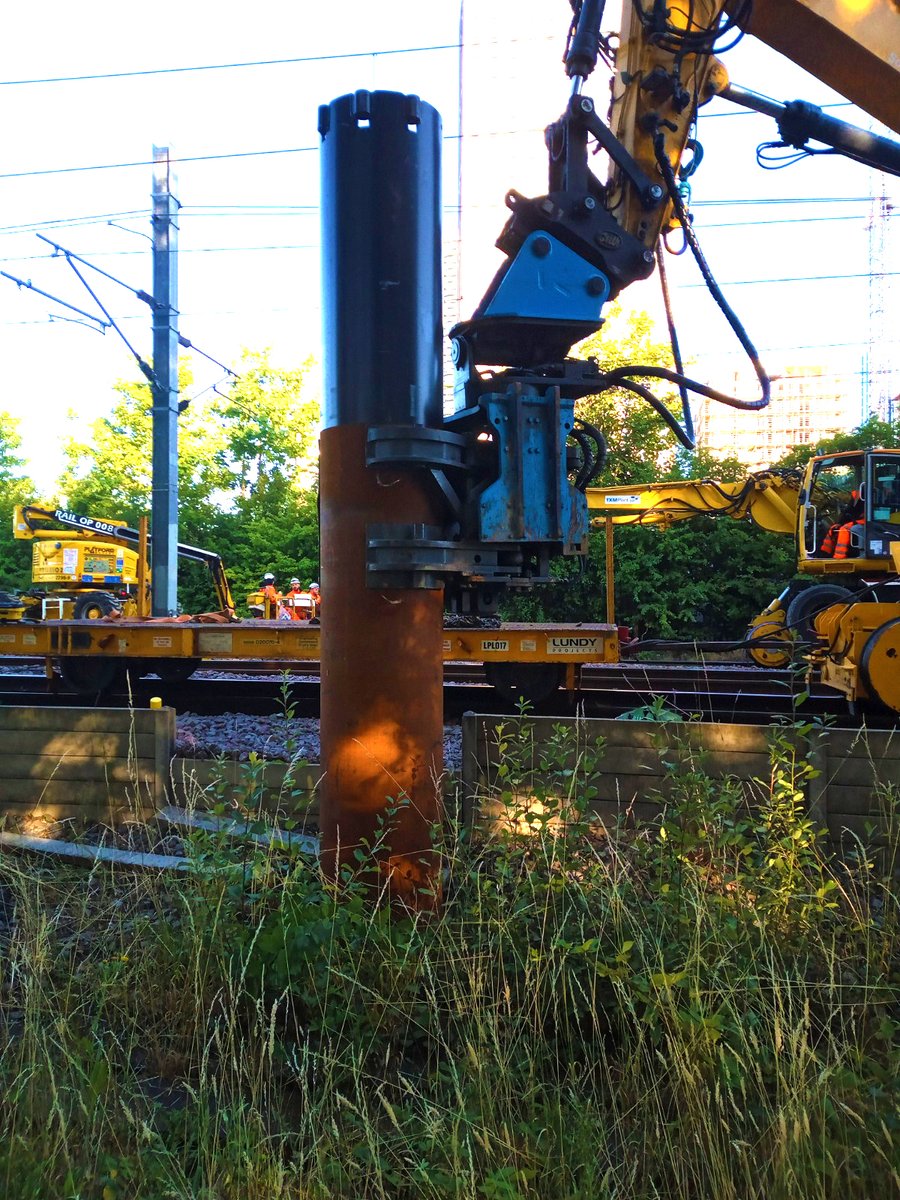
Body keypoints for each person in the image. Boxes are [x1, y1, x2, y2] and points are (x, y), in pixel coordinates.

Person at [820, 490, 865, 559]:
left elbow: (853, 511)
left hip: (865, 520)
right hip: (857, 519)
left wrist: (844, 522)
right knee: (834, 528)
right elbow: (849, 511)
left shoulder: (862, 495)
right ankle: (825, 553)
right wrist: (840, 523)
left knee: (844, 529)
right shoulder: (857, 496)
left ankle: (839, 556)